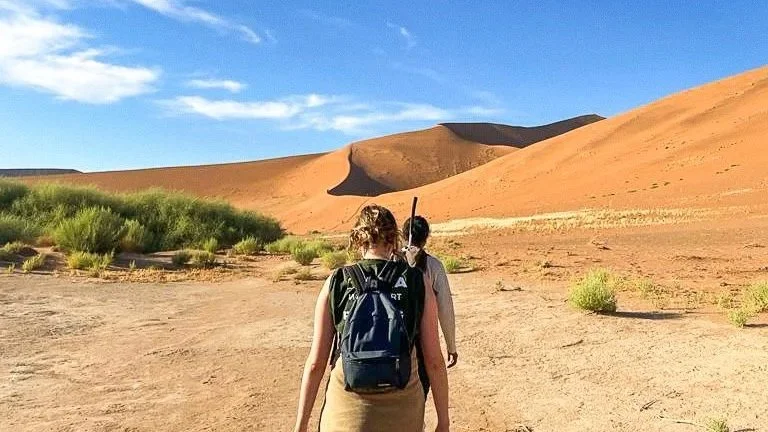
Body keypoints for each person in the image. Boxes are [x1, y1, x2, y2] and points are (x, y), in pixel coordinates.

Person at [293, 204, 450, 432]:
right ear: (394, 239)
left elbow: (316, 363)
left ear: (359, 239)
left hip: (346, 414)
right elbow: (434, 361)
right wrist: (443, 422)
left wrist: (301, 425)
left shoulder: (336, 281)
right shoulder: (417, 281)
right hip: (403, 413)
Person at [402, 216, 458, 398]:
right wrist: (451, 346)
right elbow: (445, 309)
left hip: (391, 342)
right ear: (426, 237)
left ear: (403, 235)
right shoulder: (434, 266)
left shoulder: (388, 264)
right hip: (423, 343)